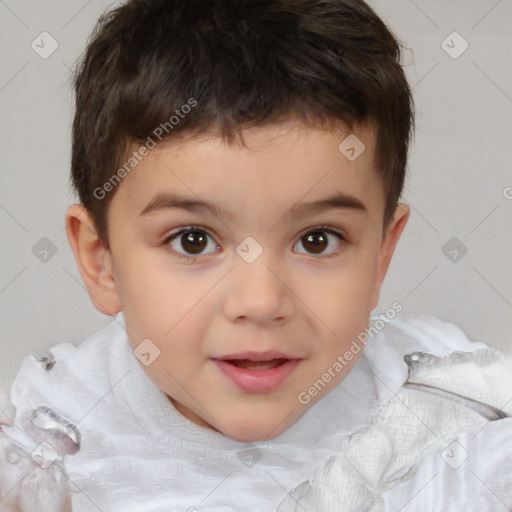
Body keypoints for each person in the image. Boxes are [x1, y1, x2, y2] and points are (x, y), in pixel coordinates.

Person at [1, 0, 510, 510]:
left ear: (381, 255)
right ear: (102, 262)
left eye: (317, 240)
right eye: (193, 240)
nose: (261, 301)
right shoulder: (44, 447)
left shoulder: (450, 414)